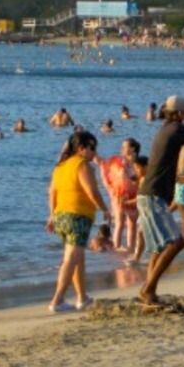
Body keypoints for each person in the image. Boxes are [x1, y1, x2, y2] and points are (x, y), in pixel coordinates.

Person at [138, 96, 184, 306]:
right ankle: (148, 288)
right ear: (180, 114)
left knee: (158, 248)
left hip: (147, 194)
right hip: (154, 195)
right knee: (176, 242)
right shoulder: (177, 130)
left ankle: (149, 291)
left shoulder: (167, 129)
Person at [47, 130, 103, 313]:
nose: (94, 152)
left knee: (78, 257)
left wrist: (51, 215)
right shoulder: (82, 165)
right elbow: (91, 191)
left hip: (61, 215)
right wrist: (105, 209)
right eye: (92, 148)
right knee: (71, 259)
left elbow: (52, 193)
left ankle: (82, 298)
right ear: (81, 148)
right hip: (77, 216)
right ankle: (57, 300)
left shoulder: (60, 166)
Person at [101, 139, 143, 264]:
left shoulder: (136, 163)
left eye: (125, 146)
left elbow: (139, 176)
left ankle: (130, 247)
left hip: (133, 193)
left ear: (133, 149)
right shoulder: (119, 162)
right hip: (119, 194)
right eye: (123, 146)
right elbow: (112, 174)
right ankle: (116, 246)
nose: (122, 148)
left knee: (132, 223)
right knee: (119, 221)